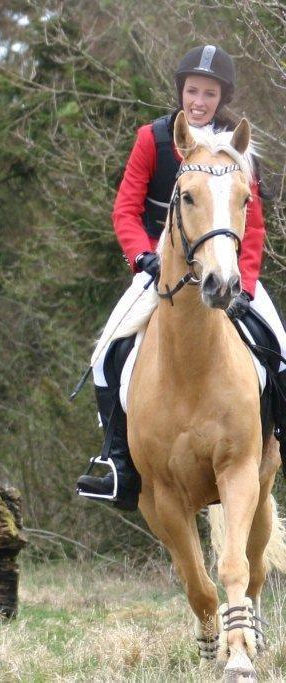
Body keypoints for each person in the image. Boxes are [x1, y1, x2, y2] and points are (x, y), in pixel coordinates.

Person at [76, 45, 286, 511]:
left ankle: (278, 439)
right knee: (105, 354)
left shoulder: (236, 144)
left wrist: (246, 285)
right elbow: (125, 211)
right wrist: (142, 258)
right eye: (192, 91)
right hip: (163, 270)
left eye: (209, 93)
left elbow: (253, 226)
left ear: (221, 96)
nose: (199, 101)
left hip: (226, 267)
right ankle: (118, 464)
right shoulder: (153, 139)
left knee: (280, 346)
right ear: (181, 91)